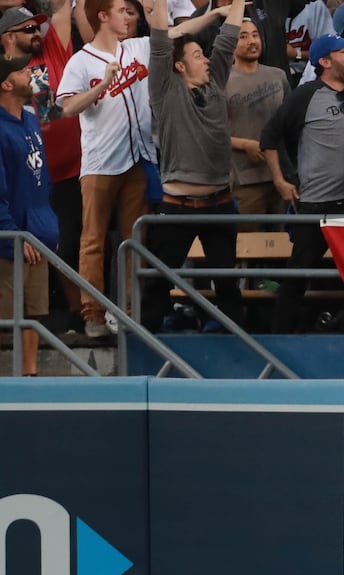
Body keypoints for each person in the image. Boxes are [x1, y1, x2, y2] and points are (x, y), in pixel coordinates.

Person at [261, 31, 344, 332]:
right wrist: (280, 180)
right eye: (342, 50)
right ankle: (279, 336)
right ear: (323, 60)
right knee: (297, 275)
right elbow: (269, 137)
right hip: (316, 205)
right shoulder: (305, 95)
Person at [140, 0, 248, 334]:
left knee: (227, 282)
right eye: (197, 55)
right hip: (177, 207)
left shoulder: (214, 80)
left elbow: (230, 33)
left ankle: (237, 348)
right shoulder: (164, 90)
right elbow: (160, 38)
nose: (206, 58)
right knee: (159, 282)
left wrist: (233, 5)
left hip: (220, 203)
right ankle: (146, 346)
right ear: (179, 67)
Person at [59, 0, 155, 340]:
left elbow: (173, 33)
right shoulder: (81, 60)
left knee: (134, 240)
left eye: (131, 12)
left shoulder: (137, 47)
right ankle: (93, 313)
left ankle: (129, 312)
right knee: (94, 241)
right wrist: (102, 85)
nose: (129, 17)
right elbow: (68, 106)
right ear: (103, 16)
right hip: (99, 163)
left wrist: (218, 14)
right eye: (122, 12)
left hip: (136, 157)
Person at [1, 4, 84, 340]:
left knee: (68, 247)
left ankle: (81, 315)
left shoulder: (45, 55)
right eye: (27, 30)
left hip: (68, 171)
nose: (37, 34)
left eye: (37, 28)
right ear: (7, 38)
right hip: (25, 177)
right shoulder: (7, 74)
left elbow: (47, 116)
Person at [0, 53, 60, 376]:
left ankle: (31, 375)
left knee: (34, 312)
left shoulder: (32, 118)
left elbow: (41, 176)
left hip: (36, 231)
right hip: (9, 237)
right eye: (22, 71)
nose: (29, 73)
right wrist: (11, 232)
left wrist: (45, 223)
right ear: (6, 84)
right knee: (4, 316)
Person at [226, 15, 290, 222]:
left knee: (283, 245)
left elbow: (291, 122)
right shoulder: (221, 81)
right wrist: (245, 144)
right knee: (248, 246)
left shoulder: (278, 76)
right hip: (244, 180)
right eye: (243, 36)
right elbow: (210, 133)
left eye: (255, 35)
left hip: (282, 176)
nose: (252, 41)